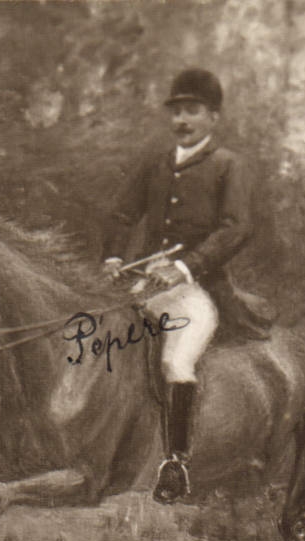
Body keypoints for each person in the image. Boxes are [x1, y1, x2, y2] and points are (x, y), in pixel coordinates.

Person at [102, 68, 268, 504]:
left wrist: (185, 267)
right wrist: (114, 256)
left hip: (198, 289)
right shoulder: (153, 162)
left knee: (177, 362)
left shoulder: (229, 165)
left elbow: (236, 228)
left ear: (213, 116)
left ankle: (175, 462)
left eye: (192, 111)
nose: (182, 120)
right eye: (176, 111)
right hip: (142, 283)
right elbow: (121, 214)